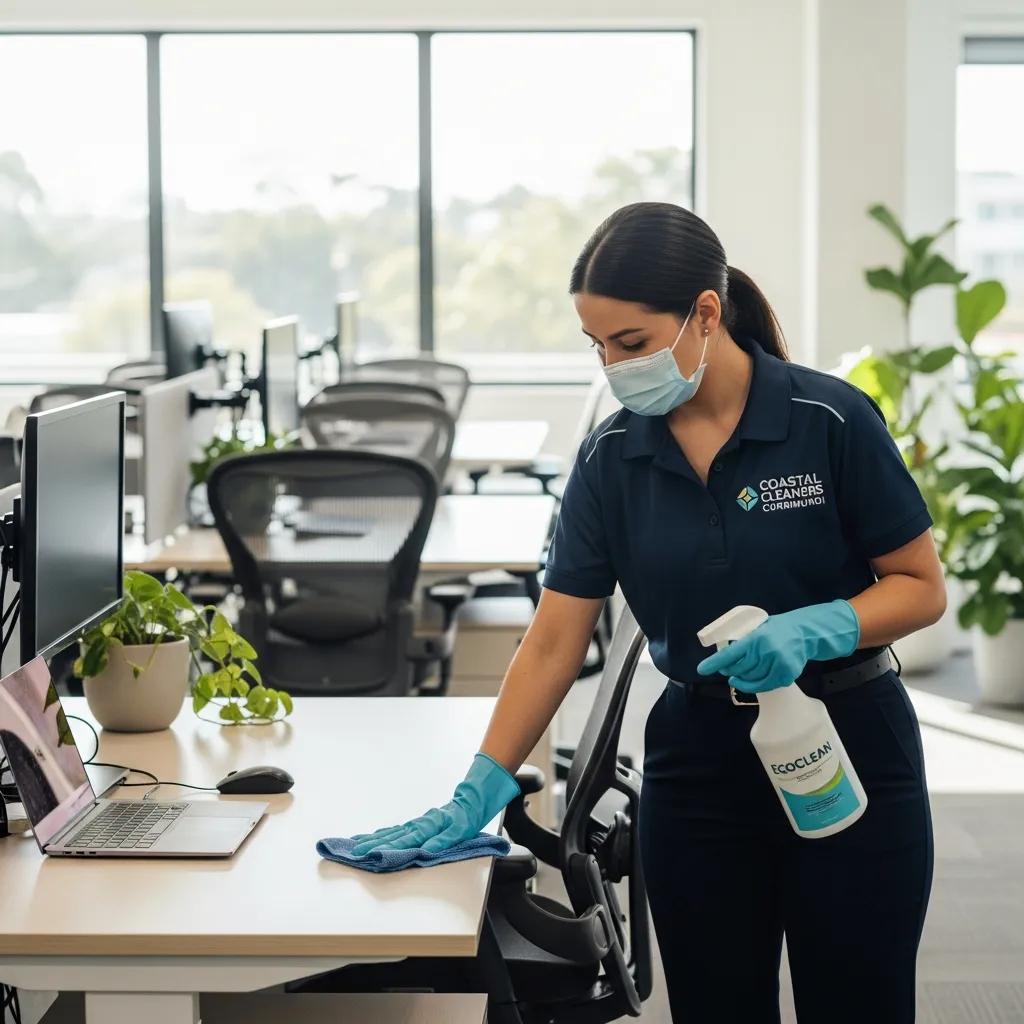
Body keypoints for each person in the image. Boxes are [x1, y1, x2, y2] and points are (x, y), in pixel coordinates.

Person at [353, 202, 943, 1023]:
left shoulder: (828, 420)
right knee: (714, 1006)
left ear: (707, 312)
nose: (612, 366)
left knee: (860, 1001)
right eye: (596, 346)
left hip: (849, 739)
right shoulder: (610, 459)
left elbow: (919, 583)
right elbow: (555, 640)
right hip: (698, 763)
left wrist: (818, 626)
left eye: (630, 344)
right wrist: (477, 790)